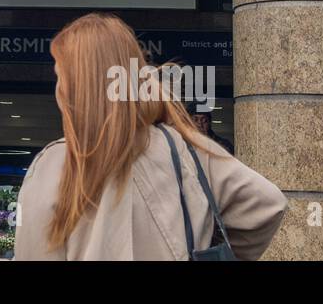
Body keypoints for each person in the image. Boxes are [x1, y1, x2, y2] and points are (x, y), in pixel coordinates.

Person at [16, 13, 287, 260]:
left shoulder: (56, 163)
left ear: (79, 87)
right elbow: (267, 204)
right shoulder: (189, 149)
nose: (59, 88)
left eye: (60, 76)